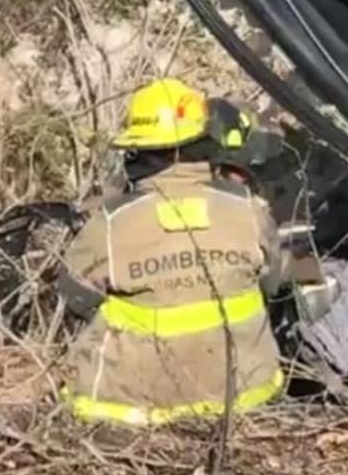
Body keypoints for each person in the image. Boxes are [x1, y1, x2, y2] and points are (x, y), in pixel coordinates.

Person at [57, 77, 290, 426]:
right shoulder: (248, 208)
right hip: (243, 397)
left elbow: (73, 297)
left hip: (132, 410)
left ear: (142, 152)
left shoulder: (111, 222)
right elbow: (276, 282)